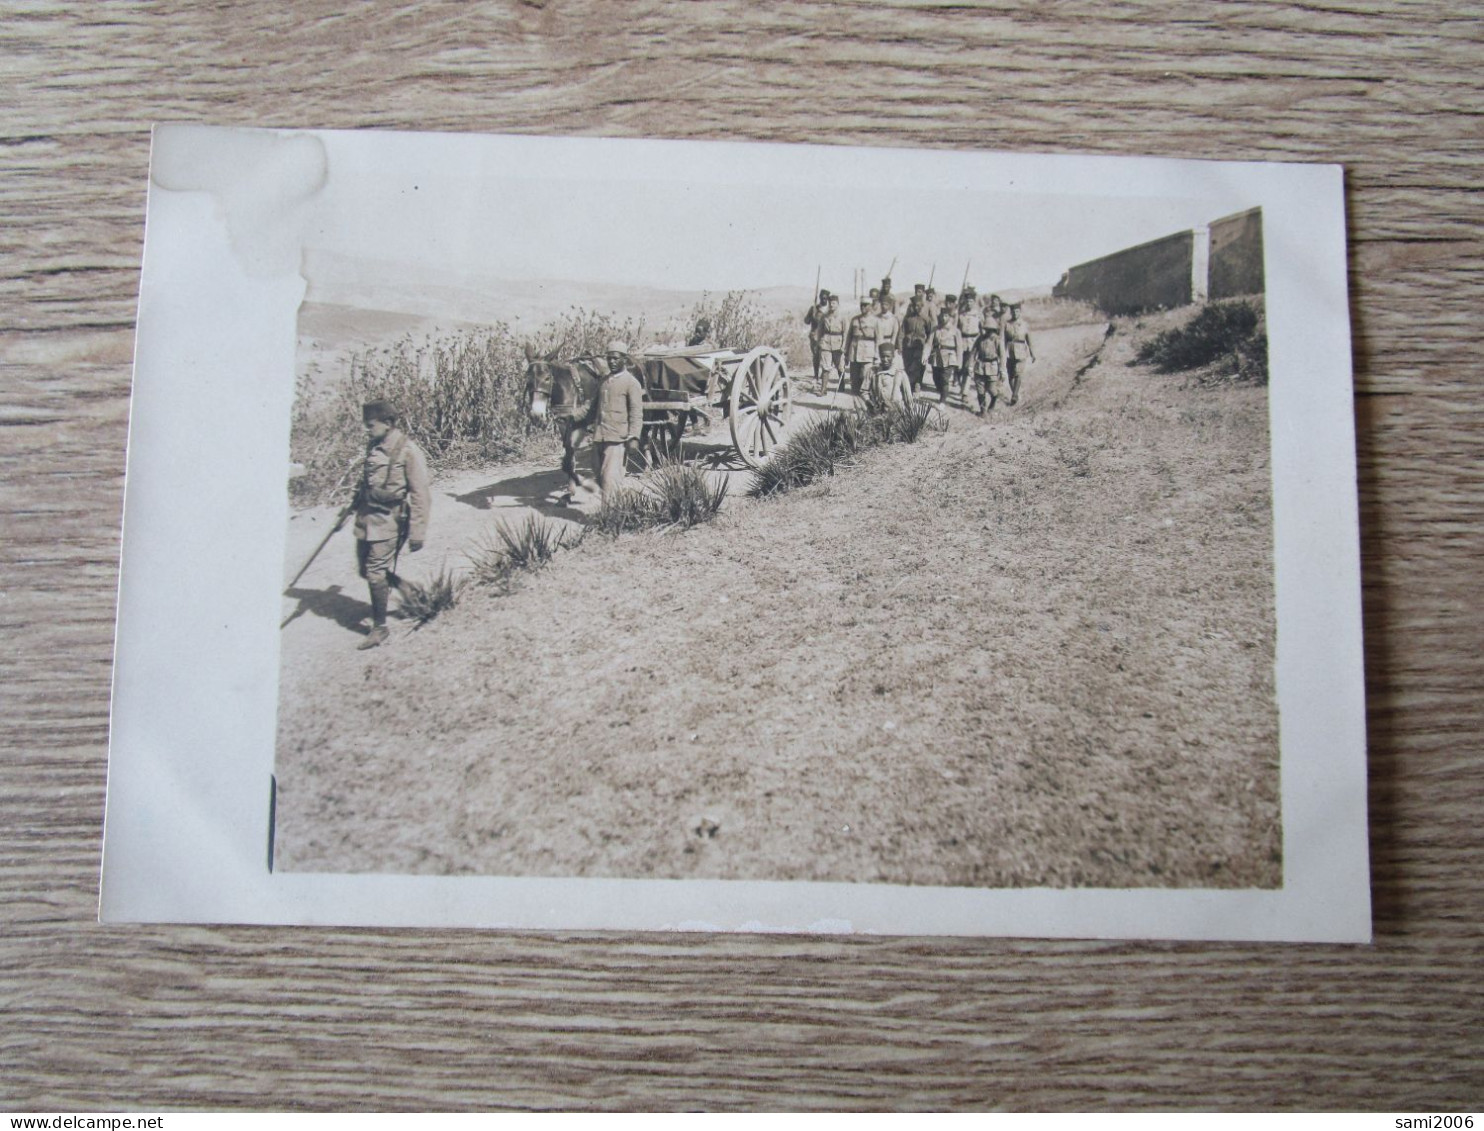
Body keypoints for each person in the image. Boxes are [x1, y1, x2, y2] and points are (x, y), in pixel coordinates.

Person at [354, 399, 431, 650]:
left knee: (375, 571)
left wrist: (417, 532)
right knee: (365, 570)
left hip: (390, 520)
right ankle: (406, 587)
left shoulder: (408, 450)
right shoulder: (373, 445)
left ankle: (379, 628)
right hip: (366, 517)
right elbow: (368, 481)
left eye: (371, 425)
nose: (367, 429)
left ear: (388, 423)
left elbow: (420, 494)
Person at [582, 340, 646, 499]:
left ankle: (611, 518)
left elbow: (636, 413)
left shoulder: (631, 383)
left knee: (610, 481)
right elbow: (591, 407)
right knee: (599, 477)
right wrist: (571, 416)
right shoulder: (603, 381)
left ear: (625, 359)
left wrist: (634, 437)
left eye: (616, 358)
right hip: (599, 437)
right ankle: (613, 511)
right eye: (609, 358)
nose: (612, 362)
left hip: (617, 439)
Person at [924, 303, 963, 405]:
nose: (943, 318)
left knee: (945, 379)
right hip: (936, 356)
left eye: (946, 316)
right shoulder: (935, 329)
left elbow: (959, 348)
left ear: (950, 317)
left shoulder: (955, 331)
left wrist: (959, 362)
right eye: (942, 315)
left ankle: (942, 401)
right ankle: (942, 391)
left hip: (950, 357)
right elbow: (929, 343)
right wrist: (925, 354)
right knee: (936, 378)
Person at [842, 297, 881, 396]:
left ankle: (867, 401)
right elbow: (849, 336)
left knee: (866, 377)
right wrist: (846, 353)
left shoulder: (876, 321)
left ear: (870, 306)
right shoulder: (855, 319)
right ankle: (856, 401)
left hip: (868, 353)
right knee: (854, 379)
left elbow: (879, 339)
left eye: (865, 305)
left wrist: (877, 355)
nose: (863, 307)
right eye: (861, 305)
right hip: (854, 353)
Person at [969, 322, 1006, 414]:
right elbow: (973, 353)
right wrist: (970, 366)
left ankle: (993, 402)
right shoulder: (980, 339)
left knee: (991, 389)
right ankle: (983, 411)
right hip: (980, 366)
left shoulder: (997, 340)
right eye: (987, 329)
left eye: (991, 330)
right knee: (980, 390)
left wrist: (1002, 370)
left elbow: (1002, 356)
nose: (989, 332)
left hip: (992, 367)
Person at [1003, 303, 1036, 405]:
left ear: (1020, 312)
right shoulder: (1006, 324)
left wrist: (1032, 354)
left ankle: (1014, 395)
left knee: (1018, 373)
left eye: (1017, 311)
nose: (1015, 313)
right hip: (1009, 351)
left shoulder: (1025, 325)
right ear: (1010, 312)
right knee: (1010, 375)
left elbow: (1029, 341)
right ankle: (1015, 393)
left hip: (1021, 350)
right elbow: (1003, 340)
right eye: (1013, 311)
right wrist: (1002, 354)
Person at [899, 295, 932, 394]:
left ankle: (917, 386)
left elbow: (930, 333)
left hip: (919, 347)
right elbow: (901, 332)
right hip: (908, 346)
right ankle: (908, 387)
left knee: (918, 367)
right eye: (915, 306)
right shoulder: (908, 318)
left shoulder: (926, 319)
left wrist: (928, 347)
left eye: (919, 306)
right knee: (908, 366)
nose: (917, 308)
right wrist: (900, 346)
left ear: (922, 306)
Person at [870, 340, 913, 412]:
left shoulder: (900, 374)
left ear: (893, 356)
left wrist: (910, 413)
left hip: (897, 411)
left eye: (888, 357)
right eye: (883, 357)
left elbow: (908, 396)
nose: (885, 359)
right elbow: (866, 392)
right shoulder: (874, 373)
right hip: (879, 411)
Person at [955, 293, 983, 401]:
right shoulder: (961, 315)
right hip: (962, 342)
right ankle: (961, 387)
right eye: (967, 301)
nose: (969, 303)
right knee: (959, 368)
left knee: (968, 368)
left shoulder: (978, 315)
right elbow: (956, 330)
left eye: (971, 301)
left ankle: (965, 393)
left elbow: (982, 330)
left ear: (974, 302)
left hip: (973, 343)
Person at [817, 294, 846, 395]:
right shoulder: (824, 316)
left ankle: (841, 385)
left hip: (838, 343)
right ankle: (823, 389)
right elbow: (820, 330)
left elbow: (845, 332)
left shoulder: (842, 316)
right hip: (826, 343)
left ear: (838, 304)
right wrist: (819, 342)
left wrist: (844, 345)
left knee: (840, 366)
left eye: (833, 303)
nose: (831, 305)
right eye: (830, 303)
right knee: (825, 367)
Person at [804, 288, 830, 384]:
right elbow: (806, 321)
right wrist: (812, 314)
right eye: (822, 298)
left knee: (825, 357)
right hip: (815, 336)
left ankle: (824, 377)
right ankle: (816, 376)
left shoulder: (829, 310)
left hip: (825, 337)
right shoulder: (814, 308)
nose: (823, 300)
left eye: (825, 298)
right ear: (819, 298)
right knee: (816, 356)